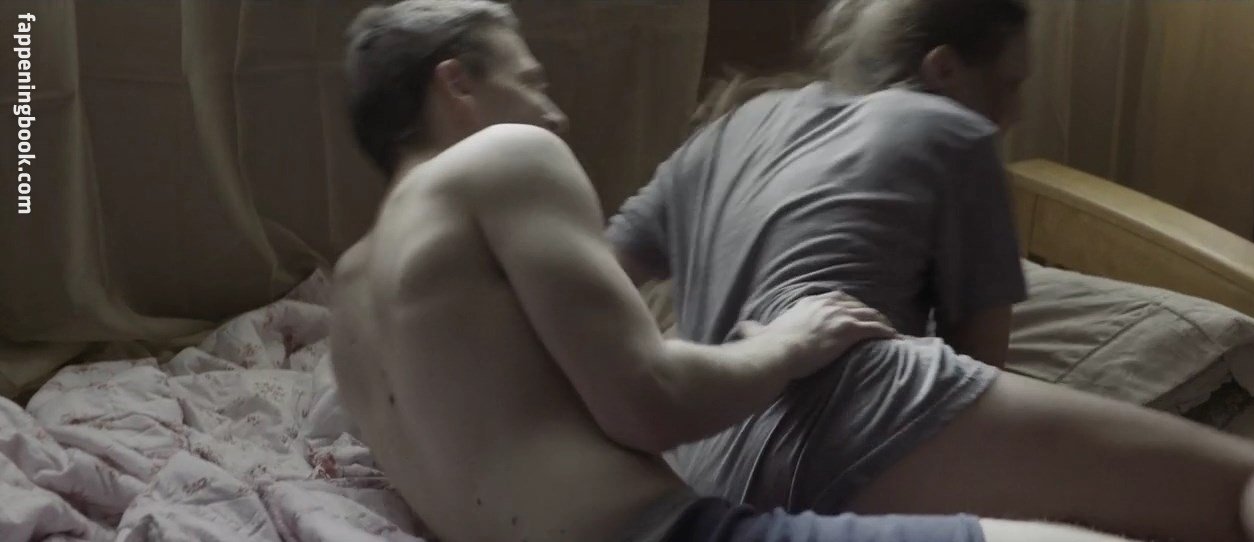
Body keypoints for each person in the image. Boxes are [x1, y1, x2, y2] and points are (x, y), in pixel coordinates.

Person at [328, 1, 1166, 540]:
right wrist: (791, 343)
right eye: (532, 82)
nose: (555, 112)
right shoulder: (508, 156)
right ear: (456, 85)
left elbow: (597, 288)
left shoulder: (352, 295)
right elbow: (651, 402)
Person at [608, 0, 1254, 541]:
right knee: (1252, 479)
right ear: (944, 68)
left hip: (705, 457)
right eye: (1009, 85)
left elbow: (602, 274)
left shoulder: (730, 129)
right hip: (854, 403)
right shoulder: (950, 128)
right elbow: (979, 362)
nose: (1014, 113)